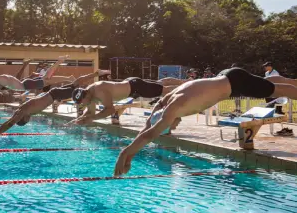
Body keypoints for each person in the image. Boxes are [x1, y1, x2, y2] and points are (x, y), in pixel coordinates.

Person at [114, 67, 297, 176]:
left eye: (169, 126)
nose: (174, 127)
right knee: (275, 86)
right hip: (226, 77)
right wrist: (130, 155)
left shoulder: (174, 107)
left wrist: (124, 154)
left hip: (235, 83)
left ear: (167, 119)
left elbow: (150, 133)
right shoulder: (167, 101)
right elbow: (148, 126)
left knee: (280, 90)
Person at [0, 69, 111, 143]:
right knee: (76, 84)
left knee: (77, 87)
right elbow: (9, 120)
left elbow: (8, 124)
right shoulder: (22, 109)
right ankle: (97, 74)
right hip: (53, 93)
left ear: (23, 119)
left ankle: (96, 84)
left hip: (54, 95)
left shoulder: (22, 113)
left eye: (26, 121)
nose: (29, 120)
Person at [69, 78, 178, 125]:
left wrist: (91, 118)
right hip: (130, 89)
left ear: (85, 95)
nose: (83, 104)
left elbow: (110, 110)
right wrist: (78, 120)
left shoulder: (99, 90)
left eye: (82, 101)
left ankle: (185, 87)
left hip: (136, 87)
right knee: (162, 88)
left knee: (165, 90)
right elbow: (91, 112)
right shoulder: (89, 96)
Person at [0, 56, 73, 94]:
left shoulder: (43, 81)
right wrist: (68, 78)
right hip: (18, 84)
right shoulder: (40, 82)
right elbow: (55, 78)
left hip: (18, 85)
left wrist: (60, 61)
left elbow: (52, 72)